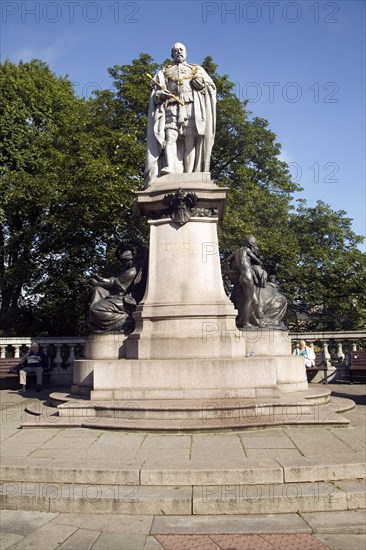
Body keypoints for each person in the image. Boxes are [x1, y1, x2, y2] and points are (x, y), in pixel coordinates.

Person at [144, 42, 216, 186]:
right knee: (170, 138)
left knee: (190, 143)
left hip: (191, 109)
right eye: (175, 50)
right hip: (171, 108)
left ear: (186, 52)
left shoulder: (196, 69)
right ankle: (170, 167)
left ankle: (189, 175)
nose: (178, 52)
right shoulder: (164, 72)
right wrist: (160, 95)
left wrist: (201, 84)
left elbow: (210, 87)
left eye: (181, 49)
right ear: (172, 54)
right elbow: (155, 95)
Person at [225, 236, 287, 330]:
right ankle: (246, 323)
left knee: (254, 301)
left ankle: (249, 317)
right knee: (249, 301)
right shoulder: (247, 250)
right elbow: (257, 261)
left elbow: (227, 261)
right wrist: (254, 258)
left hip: (242, 277)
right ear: (251, 245)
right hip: (248, 276)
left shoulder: (237, 252)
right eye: (255, 245)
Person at [87, 244, 148, 333]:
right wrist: (100, 279)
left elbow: (116, 285)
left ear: (128, 260)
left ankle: (127, 321)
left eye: (123, 261)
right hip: (120, 295)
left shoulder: (131, 271)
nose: (122, 263)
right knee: (98, 289)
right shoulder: (127, 269)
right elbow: (114, 280)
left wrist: (97, 282)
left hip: (129, 300)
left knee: (96, 310)